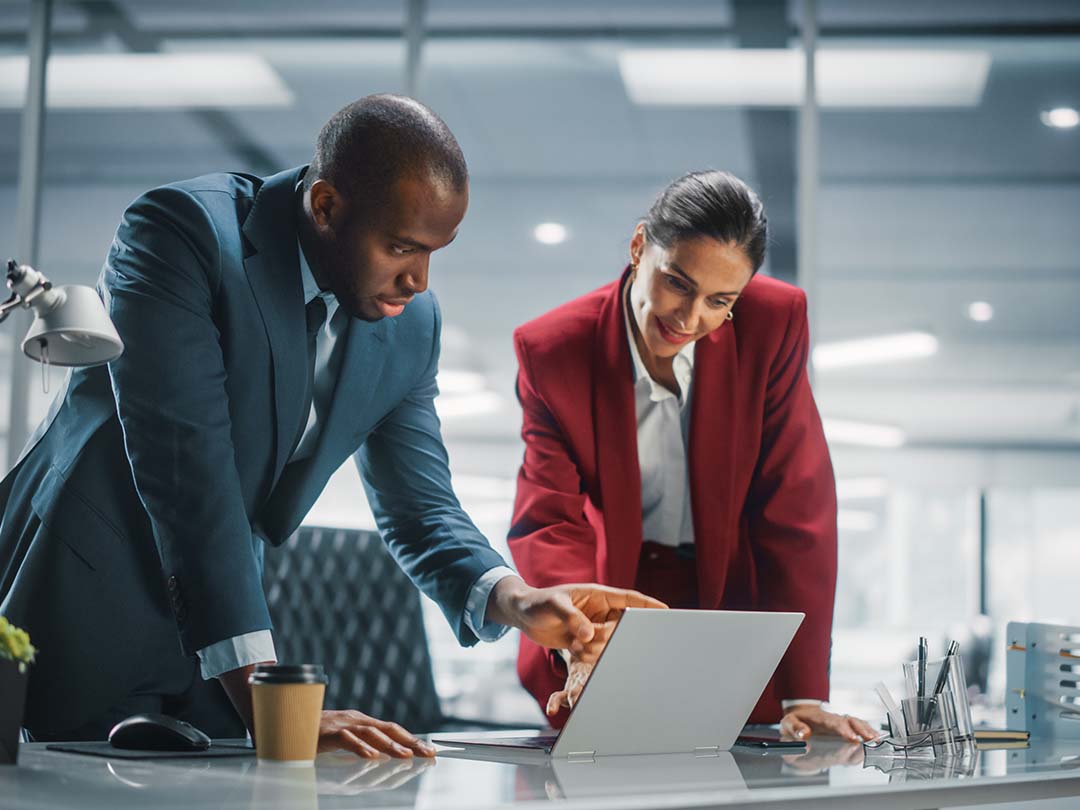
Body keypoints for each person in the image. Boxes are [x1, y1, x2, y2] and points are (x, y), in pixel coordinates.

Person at [0, 94, 661, 757]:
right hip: (82, 602)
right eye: (401, 245)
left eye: (436, 251)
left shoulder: (409, 327)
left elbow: (421, 508)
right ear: (325, 207)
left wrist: (517, 600)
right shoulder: (183, 235)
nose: (419, 278)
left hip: (218, 634)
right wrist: (267, 692)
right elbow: (188, 471)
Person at [508, 170, 876, 743]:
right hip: (613, 599)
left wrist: (805, 692)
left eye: (719, 301)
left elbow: (795, 509)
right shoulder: (554, 351)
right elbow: (551, 520)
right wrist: (578, 637)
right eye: (677, 283)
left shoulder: (773, 323)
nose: (689, 318)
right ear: (638, 249)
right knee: (607, 765)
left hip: (733, 604)